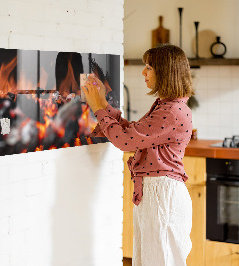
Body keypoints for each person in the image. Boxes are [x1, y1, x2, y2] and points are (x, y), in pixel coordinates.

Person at [82, 44, 194, 266]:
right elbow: (133, 133)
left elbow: (125, 141)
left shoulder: (171, 111)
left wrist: (98, 108)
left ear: (165, 72)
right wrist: (103, 104)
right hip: (156, 193)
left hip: (162, 195)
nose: (143, 72)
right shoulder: (167, 106)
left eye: (149, 67)